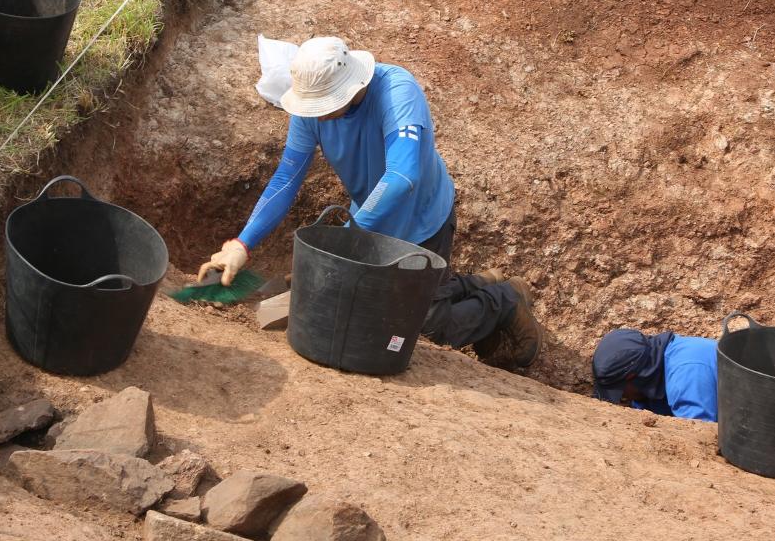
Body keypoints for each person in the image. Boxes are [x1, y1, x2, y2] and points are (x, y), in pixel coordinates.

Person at [198, 36, 547, 370]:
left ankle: (503, 301)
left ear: (350, 88)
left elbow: (401, 177)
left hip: (422, 221)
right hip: (370, 217)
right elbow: (287, 178)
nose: (317, 116)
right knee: (369, 306)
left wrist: (347, 239)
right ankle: (477, 283)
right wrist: (242, 244)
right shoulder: (309, 110)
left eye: (324, 105)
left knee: (419, 328)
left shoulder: (397, 91)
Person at [592, 328, 718, 422]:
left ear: (631, 377)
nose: (622, 398)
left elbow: (699, 438)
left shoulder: (685, 374)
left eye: (620, 392)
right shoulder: (651, 375)